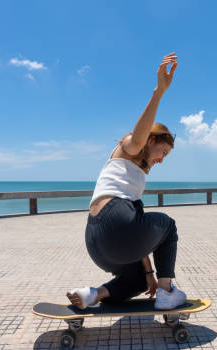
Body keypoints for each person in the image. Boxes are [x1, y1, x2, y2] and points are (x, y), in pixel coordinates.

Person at [67, 52, 186, 310]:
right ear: (152, 141)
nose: (162, 160)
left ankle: (92, 295)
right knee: (169, 226)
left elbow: (133, 226)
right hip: (114, 222)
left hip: (97, 241)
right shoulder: (129, 147)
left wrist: (149, 272)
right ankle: (167, 292)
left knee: (138, 282)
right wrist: (159, 92)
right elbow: (140, 135)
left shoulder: (130, 173)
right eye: (163, 152)